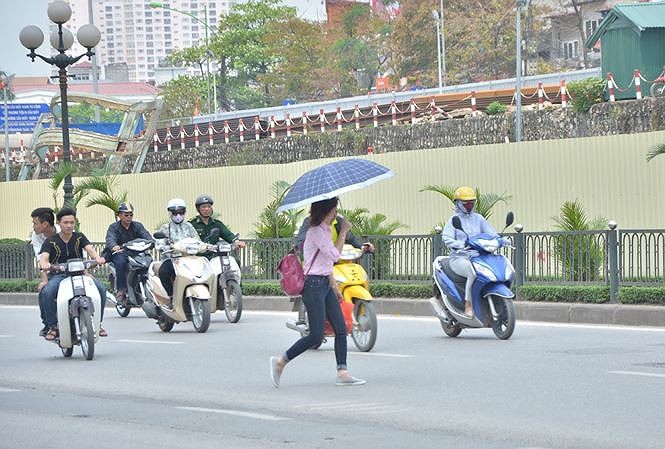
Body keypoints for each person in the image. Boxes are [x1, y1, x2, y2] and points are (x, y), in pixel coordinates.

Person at [270, 197, 366, 388]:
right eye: (334, 210)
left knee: (340, 327)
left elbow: (327, 263)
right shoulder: (315, 232)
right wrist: (345, 231)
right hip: (313, 287)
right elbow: (334, 255)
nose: (337, 214)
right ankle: (281, 361)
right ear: (326, 211)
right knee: (315, 335)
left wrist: (334, 286)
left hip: (324, 283)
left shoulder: (326, 230)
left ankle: (342, 371)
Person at [38, 207, 108, 341]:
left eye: (71, 222)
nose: (69, 225)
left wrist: (98, 258)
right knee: (47, 292)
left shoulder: (79, 237)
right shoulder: (51, 241)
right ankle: (52, 326)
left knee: (101, 289)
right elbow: (44, 258)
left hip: (80, 274)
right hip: (60, 275)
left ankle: (98, 324)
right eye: (66, 223)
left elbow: (90, 250)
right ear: (59, 222)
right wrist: (45, 263)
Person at [442, 186, 502, 318]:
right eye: (466, 203)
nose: (469, 205)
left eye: (471, 202)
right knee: (472, 272)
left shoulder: (479, 218)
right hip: (460, 258)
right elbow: (446, 238)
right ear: (458, 203)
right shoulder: (453, 221)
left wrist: (501, 240)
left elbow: (491, 233)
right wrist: (460, 244)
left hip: (479, 256)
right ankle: (468, 304)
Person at [103, 202, 154, 303]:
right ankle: (121, 289)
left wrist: (152, 242)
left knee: (149, 261)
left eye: (131, 215)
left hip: (137, 253)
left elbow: (146, 236)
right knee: (121, 262)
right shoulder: (113, 227)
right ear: (120, 215)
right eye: (126, 215)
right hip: (121, 252)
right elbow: (110, 238)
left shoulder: (137, 226)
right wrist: (114, 246)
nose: (129, 217)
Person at [156, 198, 200, 298]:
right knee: (163, 271)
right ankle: (171, 295)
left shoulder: (189, 226)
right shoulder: (165, 227)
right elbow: (159, 244)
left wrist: (201, 246)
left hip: (188, 259)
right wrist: (166, 247)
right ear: (170, 213)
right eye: (175, 213)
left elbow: (197, 240)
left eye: (181, 212)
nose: (178, 216)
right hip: (172, 259)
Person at [30, 207, 60, 337]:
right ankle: (49, 325)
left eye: (35, 223)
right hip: (51, 271)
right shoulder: (36, 237)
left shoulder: (64, 231)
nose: (33, 227)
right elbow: (41, 259)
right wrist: (44, 280)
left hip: (71, 270)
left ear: (45, 224)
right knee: (44, 291)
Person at [294, 213, 374, 253]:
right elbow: (300, 243)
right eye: (333, 210)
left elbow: (351, 239)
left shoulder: (339, 221)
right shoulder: (310, 222)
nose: (335, 214)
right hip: (316, 269)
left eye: (336, 210)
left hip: (337, 263)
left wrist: (362, 247)